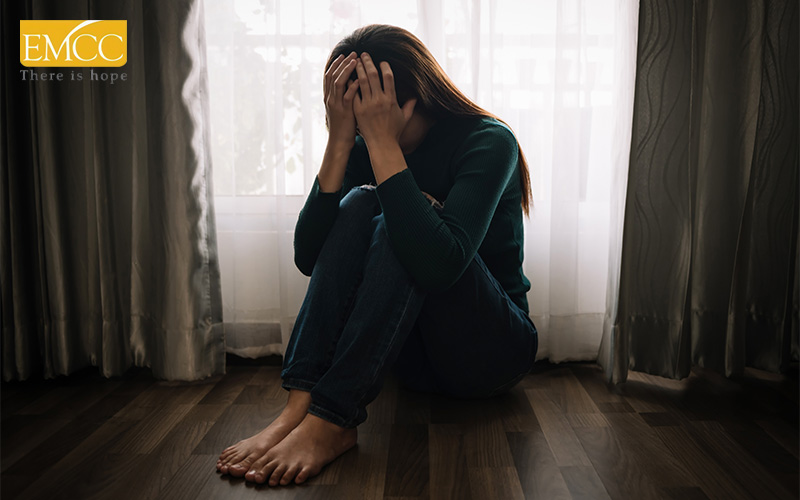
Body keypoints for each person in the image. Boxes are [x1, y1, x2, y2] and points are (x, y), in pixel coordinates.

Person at [215, 23, 538, 487]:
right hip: (408, 361)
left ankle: (333, 420)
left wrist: (385, 146)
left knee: (399, 220)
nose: (363, 124)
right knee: (360, 202)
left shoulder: (488, 141)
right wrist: (340, 142)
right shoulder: (361, 146)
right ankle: (300, 406)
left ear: (410, 98)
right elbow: (310, 256)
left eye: (369, 111)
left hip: (490, 354)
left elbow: (439, 265)